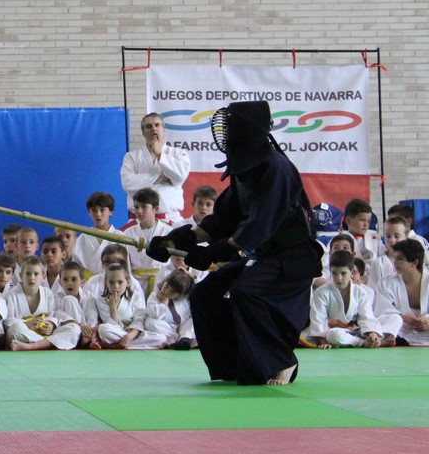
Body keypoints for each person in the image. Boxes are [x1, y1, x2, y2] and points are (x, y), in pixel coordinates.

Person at [147, 100, 321, 386]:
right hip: (265, 257)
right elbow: (221, 220)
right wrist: (178, 239)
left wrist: (215, 252)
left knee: (246, 291)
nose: (225, 132)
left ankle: (282, 360)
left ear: (248, 130)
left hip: (292, 259)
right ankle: (234, 366)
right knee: (205, 294)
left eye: (230, 126)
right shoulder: (245, 171)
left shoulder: (276, 168)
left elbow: (258, 226)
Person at [120, 113, 191, 222]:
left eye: (157, 125)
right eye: (149, 126)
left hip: (170, 219)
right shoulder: (131, 156)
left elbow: (180, 176)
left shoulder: (178, 154)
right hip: (138, 221)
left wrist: (160, 155)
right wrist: (158, 178)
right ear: (143, 132)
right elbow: (127, 183)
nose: (154, 129)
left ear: (163, 129)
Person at [307, 250, 384, 348]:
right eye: (334, 273)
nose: (339, 278)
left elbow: (366, 316)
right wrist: (323, 341)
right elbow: (319, 319)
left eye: (343, 273)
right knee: (334, 334)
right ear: (330, 271)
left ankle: (369, 341)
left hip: (355, 331)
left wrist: (372, 334)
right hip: (332, 333)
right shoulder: (321, 292)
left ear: (351, 272)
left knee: (388, 321)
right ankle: (362, 343)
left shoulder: (359, 292)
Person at [73, 192, 115, 277]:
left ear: (110, 211)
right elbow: (75, 267)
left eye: (102, 210)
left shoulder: (120, 237)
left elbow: (125, 267)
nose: (98, 214)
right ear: (89, 212)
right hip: (86, 282)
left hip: (112, 281)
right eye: (94, 210)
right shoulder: (82, 238)